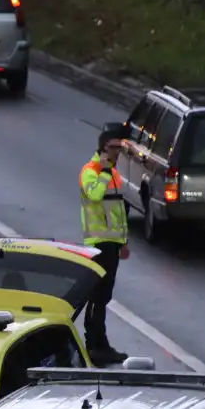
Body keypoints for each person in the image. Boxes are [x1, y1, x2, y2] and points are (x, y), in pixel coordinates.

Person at [79, 131, 131, 366]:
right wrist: (104, 171)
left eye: (119, 148)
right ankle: (93, 346)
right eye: (113, 148)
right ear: (102, 149)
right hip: (97, 243)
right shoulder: (91, 170)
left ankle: (102, 344)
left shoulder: (113, 174)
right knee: (97, 296)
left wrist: (123, 242)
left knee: (104, 296)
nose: (117, 153)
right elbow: (95, 196)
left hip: (112, 243)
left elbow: (118, 211)